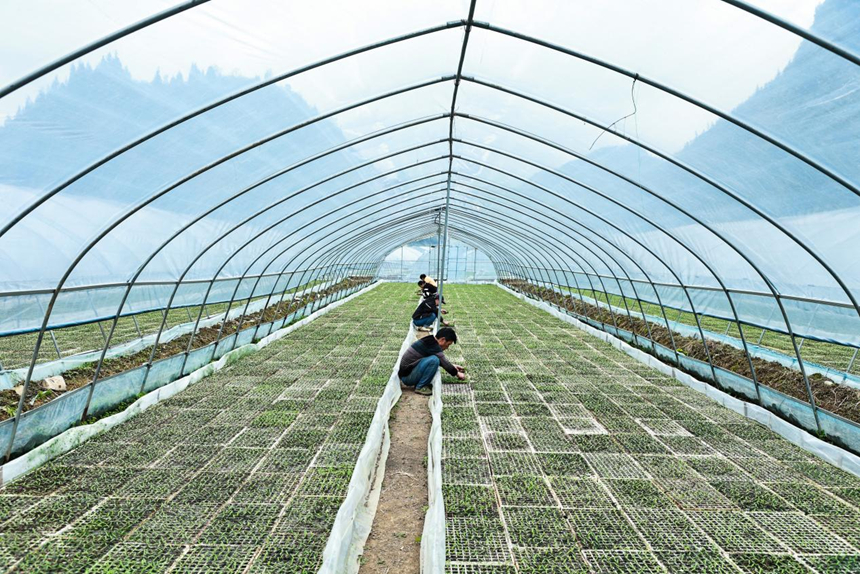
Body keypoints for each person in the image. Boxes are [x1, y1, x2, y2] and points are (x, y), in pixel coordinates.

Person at [399, 327, 465, 395]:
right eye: (448, 344)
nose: (447, 348)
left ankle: (420, 383)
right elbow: (444, 362)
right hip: (407, 377)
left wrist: (453, 366)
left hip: (407, 373)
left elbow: (442, 361)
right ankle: (420, 386)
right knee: (434, 360)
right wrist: (457, 373)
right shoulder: (434, 346)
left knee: (435, 359)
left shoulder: (430, 341)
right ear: (442, 340)